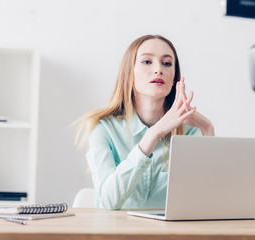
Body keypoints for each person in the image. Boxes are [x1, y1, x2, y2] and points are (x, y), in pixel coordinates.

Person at [74, 35, 214, 210]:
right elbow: (106, 202)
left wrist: (208, 131)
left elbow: (207, 204)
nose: (158, 70)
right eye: (147, 61)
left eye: (167, 63)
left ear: (174, 78)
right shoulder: (103, 128)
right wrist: (153, 135)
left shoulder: (191, 131)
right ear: (129, 72)